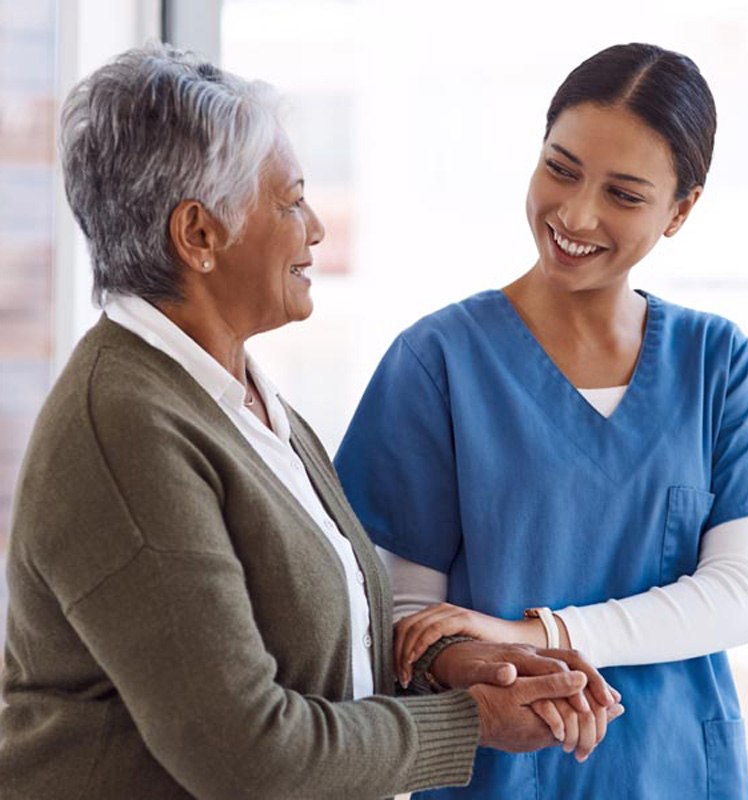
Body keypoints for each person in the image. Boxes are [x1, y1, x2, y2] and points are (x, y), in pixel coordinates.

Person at [0, 43, 625, 800]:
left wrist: (449, 663)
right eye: (290, 201)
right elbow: (247, 755)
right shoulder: (127, 427)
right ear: (198, 236)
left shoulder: (237, 395)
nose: (317, 228)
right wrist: (472, 721)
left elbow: (308, 637)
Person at [335, 43, 748, 800]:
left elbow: (738, 597)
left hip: (680, 772)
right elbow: (412, 618)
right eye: (561, 168)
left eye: (624, 194)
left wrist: (537, 634)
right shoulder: (437, 362)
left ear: (681, 210)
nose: (576, 214)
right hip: (501, 775)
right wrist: (482, 658)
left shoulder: (716, 364)